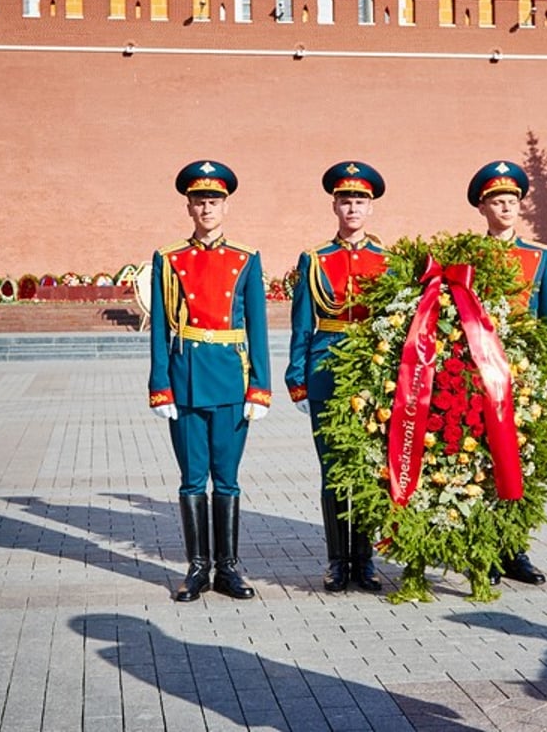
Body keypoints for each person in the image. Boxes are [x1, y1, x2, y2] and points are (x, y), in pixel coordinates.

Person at [148, 160, 272, 603]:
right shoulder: (169, 259)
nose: (207, 208)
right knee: (190, 479)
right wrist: (159, 385)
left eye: (214, 201)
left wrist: (261, 387)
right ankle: (198, 568)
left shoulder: (246, 258)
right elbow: (161, 328)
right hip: (185, 380)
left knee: (228, 479)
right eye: (200, 201)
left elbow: (257, 326)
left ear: (225, 207)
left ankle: (229, 568)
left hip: (230, 380)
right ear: (188, 207)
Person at [286, 161, 389, 592]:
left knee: (367, 466)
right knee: (332, 468)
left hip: (370, 370)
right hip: (325, 366)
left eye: (360, 201)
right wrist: (297, 377)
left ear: (370, 208)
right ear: (334, 205)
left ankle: (364, 562)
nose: (353, 208)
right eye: (346, 200)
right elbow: (300, 324)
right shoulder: (314, 260)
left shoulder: (388, 261)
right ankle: (337, 561)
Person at [467, 160, 547, 586]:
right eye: (497, 201)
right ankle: (480, 548)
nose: (506, 208)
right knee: (477, 463)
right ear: (482, 208)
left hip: (522, 374)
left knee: (520, 461)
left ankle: (514, 549)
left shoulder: (538, 256)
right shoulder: (467, 258)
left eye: (512, 201)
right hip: (475, 372)